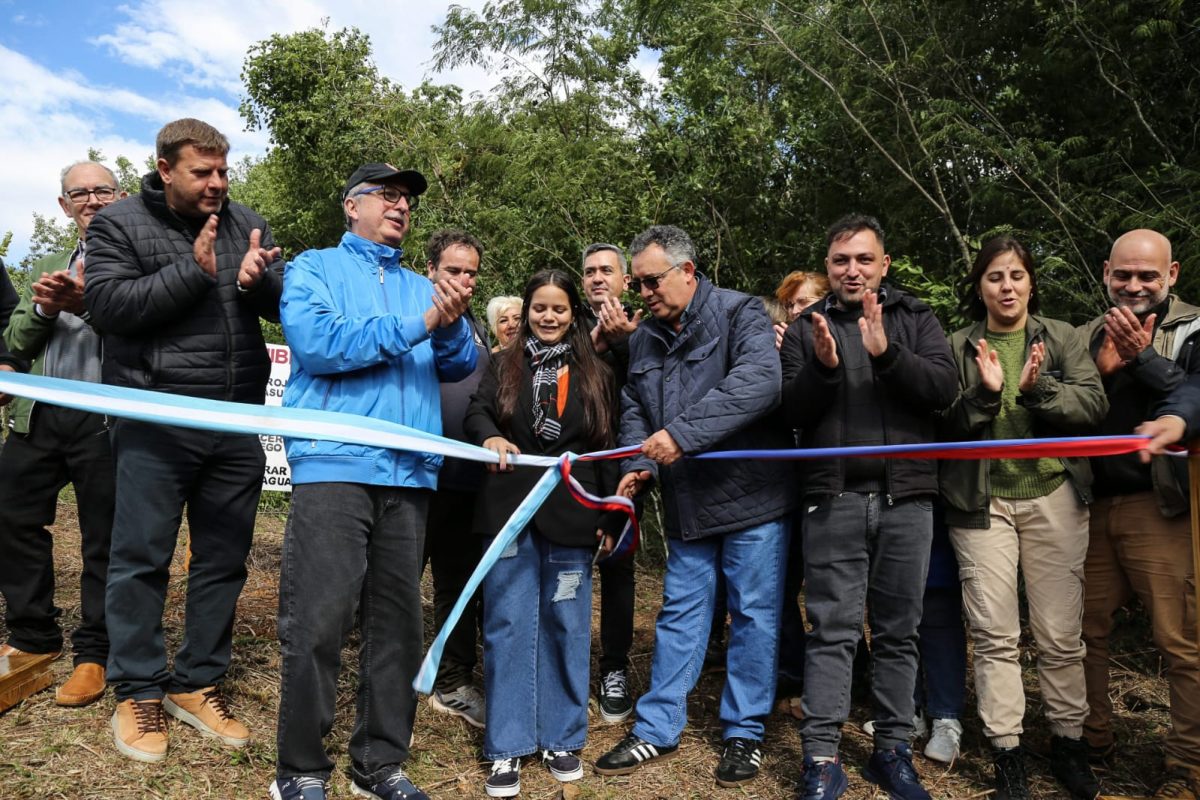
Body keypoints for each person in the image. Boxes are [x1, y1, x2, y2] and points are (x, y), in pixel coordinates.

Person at [270, 163, 475, 800]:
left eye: (408, 199)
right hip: (336, 461)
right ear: (350, 205)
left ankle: (379, 763)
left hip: (410, 474)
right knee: (320, 620)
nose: (401, 206)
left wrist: (453, 321)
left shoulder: (423, 283)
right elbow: (321, 344)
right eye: (388, 196)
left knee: (397, 627)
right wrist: (421, 323)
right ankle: (301, 769)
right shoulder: (312, 269)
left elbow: (461, 361)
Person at [84, 118, 283, 763]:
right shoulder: (116, 225)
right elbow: (109, 308)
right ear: (166, 169)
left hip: (233, 421)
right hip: (155, 422)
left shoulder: (245, 221)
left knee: (223, 560)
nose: (218, 185)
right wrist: (194, 274)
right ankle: (138, 687)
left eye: (224, 171)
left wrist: (263, 282)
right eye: (203, 172)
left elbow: (280, 309)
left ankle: (197, 681)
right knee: (141, 558)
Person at [594, 225, 796, 789]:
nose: (644, 293)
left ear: (687, 271)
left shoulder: (740, 314)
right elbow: (635, 404)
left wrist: (680, 436)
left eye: (652, 280)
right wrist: (641, 463)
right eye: (638, 284)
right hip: (688, 502)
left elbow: (759, 383)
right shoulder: (644, 338)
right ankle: (657, 728)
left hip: (752, 497)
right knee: (679, 614)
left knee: (753, 617)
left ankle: (744, 734)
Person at [779, 213, 957, 800]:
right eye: (839, 261)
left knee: (899, 630)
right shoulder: (808, 326)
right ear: (827, 268)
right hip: (833, 499)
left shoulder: (915, 317)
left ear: (884, 264)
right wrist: (826, 371)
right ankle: (822, 759)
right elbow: (793, 413)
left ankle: (892, 752)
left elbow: (942, 391)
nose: (851, 270)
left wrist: (887, 355)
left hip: (908, 499)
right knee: (831, 629)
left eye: (863, 259)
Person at [941, 235, 1107, 800]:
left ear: (1030, 281)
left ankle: (1068, 744)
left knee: (1060, 634)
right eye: (994, 277)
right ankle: (1007, 751)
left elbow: (1092, 408)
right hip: (982, 503)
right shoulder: (958, 343)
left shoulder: (1061, 336)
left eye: (1015, 275)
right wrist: (985, 396)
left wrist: (1040, 390)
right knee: (993, 633)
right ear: (979, 285)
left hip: (1053, 495)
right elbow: (941, 423)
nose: (1006, 286)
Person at [467, 269, 621, 798]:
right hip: (510, 515)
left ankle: (561, 737)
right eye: (539, 308)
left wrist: (608, 514)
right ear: (527, 311)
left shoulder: (597, 373)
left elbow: (604, 444)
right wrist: (488, 435)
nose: (548, 317)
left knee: (566, 623)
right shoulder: (502, 365)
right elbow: (478, 412)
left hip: (574, 517)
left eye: (558, 308)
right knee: (507, 623)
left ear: (573, 313)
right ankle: (507, 745)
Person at [1079, 229, 1200, 799]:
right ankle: (1091, 740)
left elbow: (1194, 394)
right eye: (1123, 274)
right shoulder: (1082, 335)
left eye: (1147, 275)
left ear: (1171, 275)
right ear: (1106, 272)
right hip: (1090, 505)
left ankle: (1187, 768)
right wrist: (1101, 371)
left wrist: (1144, 360)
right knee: (1082, 633)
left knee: (1181, 640)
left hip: (1164, 508)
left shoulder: (1195, 329)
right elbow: (1063, 412)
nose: (1134, 286)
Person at [0, 161, 126, 708]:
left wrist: (90, 305)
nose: (92, 199)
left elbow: (146, 334)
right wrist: (46, 307)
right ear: (63, 205)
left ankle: (94, 652)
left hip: (107, 420)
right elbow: (15, 341)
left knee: (107, 538)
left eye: (102, 189)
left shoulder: (138, 260)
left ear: (120, 196)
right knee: (13, 517)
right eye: (80, 192)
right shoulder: (48, 262)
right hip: (40, 411)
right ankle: (32, 637)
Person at [422, 229, 490, 730]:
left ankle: (453, 683)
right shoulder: (410, 316)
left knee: (459, 587)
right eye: (453, 271)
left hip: (466, 482)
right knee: (387, 584)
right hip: (411, 478)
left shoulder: (477, 332)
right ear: (431, 271)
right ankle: (376, 677)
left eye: (471, 273)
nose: (463, 281)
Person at [580, 242, 641, 724]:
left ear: (625, 280)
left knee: (618, 570)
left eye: (607, 271)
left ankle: (615, 668)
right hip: (575, 470)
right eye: (590, 272)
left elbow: (650, 389)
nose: (598, 278)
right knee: (570, 568)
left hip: (625, 467)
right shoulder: (567, 323)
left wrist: (623, 343)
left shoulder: (646, 326)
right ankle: (567, 667)